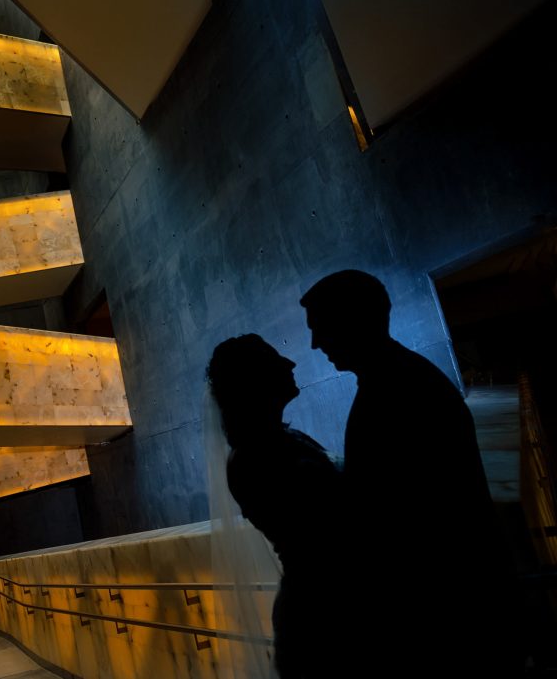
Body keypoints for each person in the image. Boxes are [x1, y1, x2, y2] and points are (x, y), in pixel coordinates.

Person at [301, 269, 517, 678]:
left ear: (354, 319)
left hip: (445, 612)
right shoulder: (398, 379)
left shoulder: (398, 389)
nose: (316, 343)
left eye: (321, 328)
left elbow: (406, 513)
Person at [207, 334, 350, 679]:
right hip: (323, 614)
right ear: (254, 381)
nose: (291, 363)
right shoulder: (256, 459)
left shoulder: (281, 442)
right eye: (276, 359)